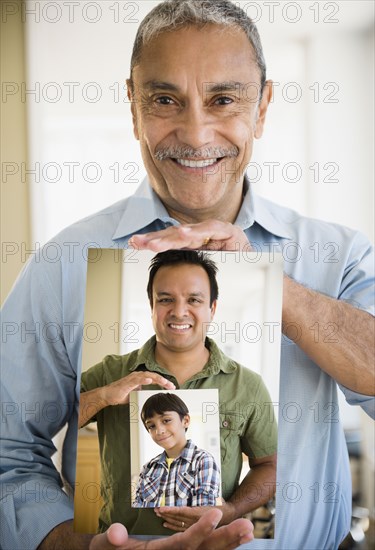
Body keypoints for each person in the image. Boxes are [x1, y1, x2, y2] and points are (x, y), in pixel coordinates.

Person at [0, 0, 374, 549]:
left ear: (263, 108)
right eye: (164, 100)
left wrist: (278, 292)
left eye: (224, 99)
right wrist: (70, 544)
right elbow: (9, 451)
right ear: (132, 105)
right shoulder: (60, 266)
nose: (196, 135)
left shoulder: (338, 254)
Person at [79, 250, 277, 534]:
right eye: (165, 299)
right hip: (123, 542)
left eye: (193, 299)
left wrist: (231, 510)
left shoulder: (248, 385)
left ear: (212, 308)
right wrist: (103, 396)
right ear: (152, 306)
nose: (179, 311)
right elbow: (47, 422)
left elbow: (268, 465)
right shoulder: (110, 373)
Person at [133, 392, 221, 508]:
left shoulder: (203, 461)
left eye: (166, 420)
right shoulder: (148, 468)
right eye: (151, 426)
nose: (159, 431)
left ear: (185, 421)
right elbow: (138, 509)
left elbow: (203, 513)